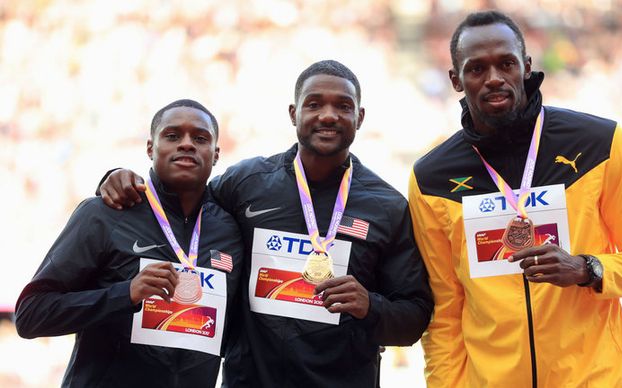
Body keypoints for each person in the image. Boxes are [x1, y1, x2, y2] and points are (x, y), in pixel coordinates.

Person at [97, 60, 433, 387]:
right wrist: (116, 178)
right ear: (293, 114)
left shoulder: (387, 207)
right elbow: (178, 206)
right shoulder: (247, 182)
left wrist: (370, 306)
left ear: (359, 117)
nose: (328, 115)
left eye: (343, 106)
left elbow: (414, 317)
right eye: (314, 104)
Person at [408, 10, 622, 388]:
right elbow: (445, 313)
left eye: (506, 63)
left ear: (527, 66)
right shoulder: (431, 178)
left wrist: (588, 269)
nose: (494, 79)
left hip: (595, 379)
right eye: (476, 69)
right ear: (456, 79)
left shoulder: (598, 143)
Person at [15, 99, 244, 387]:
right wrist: (126, 294)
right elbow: (30, 314)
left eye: (200, 138)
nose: (187, 144)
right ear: (150, 148)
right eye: (172, 136)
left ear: (216, 154)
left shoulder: (230, 228)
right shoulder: (106, 213)